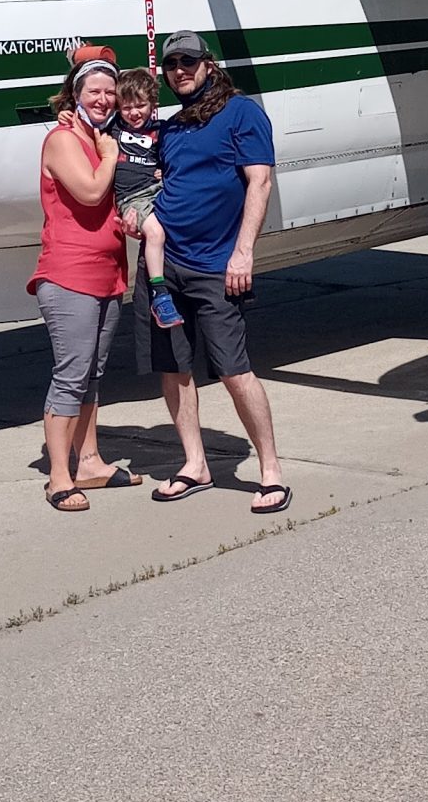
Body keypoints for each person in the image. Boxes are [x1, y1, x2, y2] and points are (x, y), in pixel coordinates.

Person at [144, 30, 289, 514]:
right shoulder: (172, 126)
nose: (179, 70)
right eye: (171, 65)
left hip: (215, 267)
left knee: (234, 371)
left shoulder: (242, 113)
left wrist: (243, 252)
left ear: (209, 64)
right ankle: (195, 464)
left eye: (188, 61)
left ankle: (270, 471)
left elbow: (260, 182)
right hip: (167, 270)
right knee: (174, 370)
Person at [28, 47, 140, 513]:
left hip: (108, 273)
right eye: (94, 91)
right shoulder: (63, 140)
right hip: (69, 275)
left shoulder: (97, 138)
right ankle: (59, 476)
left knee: (92, 374)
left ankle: (90, 460)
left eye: (111, 91)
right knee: (71, 376)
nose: (105, 99)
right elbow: (92, 192)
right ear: (75, 95)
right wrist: (111, 153)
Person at [112, 67, 180, 326]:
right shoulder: (114, 129)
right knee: (155, 233)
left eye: (140, 105)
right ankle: (160, 294)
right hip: (133, 197)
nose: (134, 113)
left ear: (153, 103)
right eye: (126, 107)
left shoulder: (161, 131)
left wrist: (166, 171)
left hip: (157, 190)